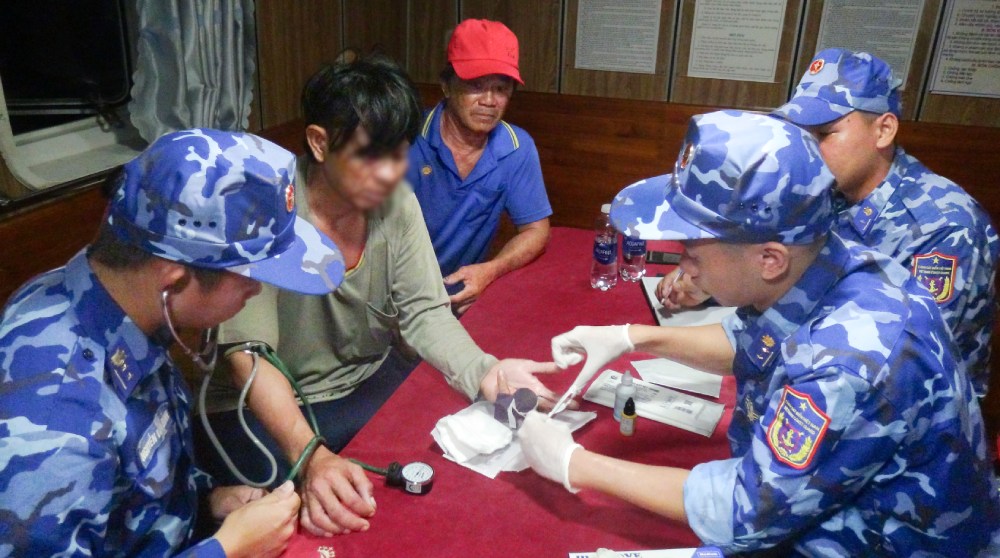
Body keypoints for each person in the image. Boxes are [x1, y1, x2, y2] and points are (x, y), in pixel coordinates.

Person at [517, 110, 1000, 556]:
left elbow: (747, 510)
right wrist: (632, 337)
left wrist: (574, 464)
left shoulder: (847, 363)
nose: (682, 265)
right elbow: (753, 343)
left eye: (692, 251)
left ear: (769, 259)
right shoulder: (824, 258)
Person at [198, 55, 561, 539]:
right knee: (291, 519)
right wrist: (311, 456)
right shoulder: (265, 208)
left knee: (447, 471)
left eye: (400, 156)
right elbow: (250, 357)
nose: (390, 175)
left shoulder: (396, 202)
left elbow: (425, 312)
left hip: (365, 382)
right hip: (263, 408)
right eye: (372, 157)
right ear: (319, 143)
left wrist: (486, 371)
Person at [0, 128, 347, 557]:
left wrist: (206, 503)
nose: (256, 291)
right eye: (250, 278)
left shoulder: (114, 298)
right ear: (174, 281)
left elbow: (130, 493)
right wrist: (227, 550)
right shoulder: (57, 419)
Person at [657, 48, 998, 399]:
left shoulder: (943, 227)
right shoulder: (825, 191)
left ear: (883, 130)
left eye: (823, 134)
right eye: (801, 134)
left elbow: (901, 364)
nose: (808, 149)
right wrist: (711, 279)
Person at [406, 18, 552, 315]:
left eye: (500, 88)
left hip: (457, 301)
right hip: (392, 298)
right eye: (475, 85)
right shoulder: (406, 138)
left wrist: (491, 270)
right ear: (446, 86)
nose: (489, 100)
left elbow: (536, 230)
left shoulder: (516, 147)